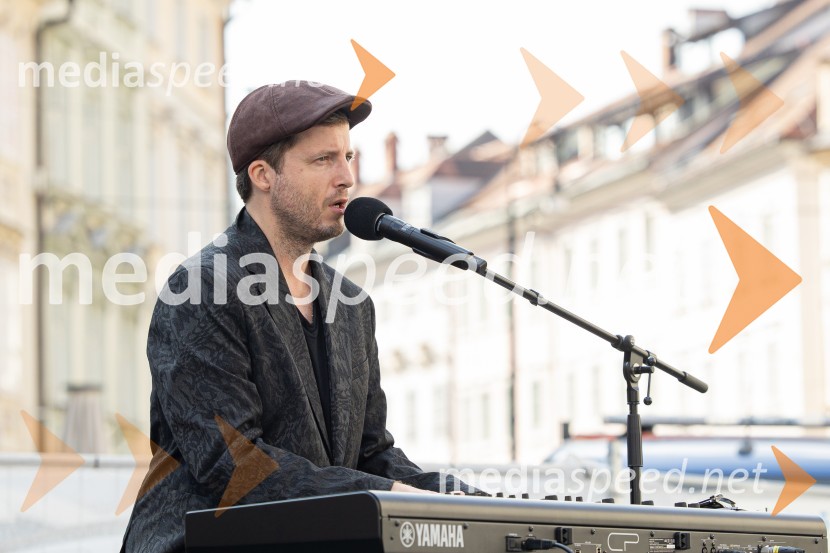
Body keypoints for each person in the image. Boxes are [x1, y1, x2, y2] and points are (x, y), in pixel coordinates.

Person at [120, 81, 474, 553]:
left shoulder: (351, 304)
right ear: (264, 175)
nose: (346, 177)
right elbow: (237, 468)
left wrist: (477, 504)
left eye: (347, 157)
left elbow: (372, 455)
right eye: (323, 159)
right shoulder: (201, 290)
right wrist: (386, 495)